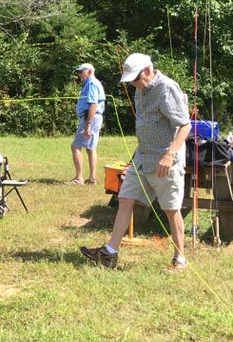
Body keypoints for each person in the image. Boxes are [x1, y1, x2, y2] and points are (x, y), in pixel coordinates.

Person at [80, 53, 191, 271]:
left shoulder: (167, 88)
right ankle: (110, 253)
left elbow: (185, 125)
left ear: (148, 71)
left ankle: (180, 259)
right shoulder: (140, 90)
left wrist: (169, 155)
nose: (133, 84)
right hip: (142, 157)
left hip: (165, 161)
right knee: (125, 199)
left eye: (135, 79)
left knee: (171, 209)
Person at [67, 62, 105, 185]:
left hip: (90, 118)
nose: (79, 74)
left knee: (75, 146)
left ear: (89, 71)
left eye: (81, 71)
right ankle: (92, 178)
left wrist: (88, 124)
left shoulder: (92, 83)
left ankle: (79, 178)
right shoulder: (91, 83)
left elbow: (93, 104)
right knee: (90, 147)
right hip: (93, 118)